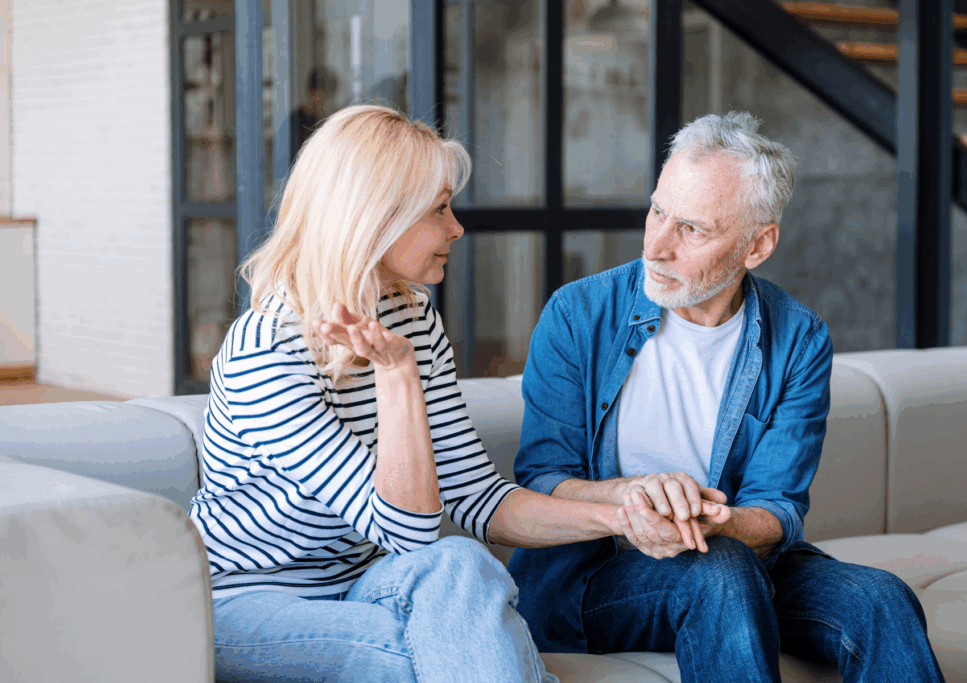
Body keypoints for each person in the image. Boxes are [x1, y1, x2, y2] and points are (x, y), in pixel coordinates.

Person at [189, 105, 649, 683]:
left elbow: (479, 500)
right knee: (429, 651)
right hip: (241, 603)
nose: (456, 228)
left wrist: (626, 517)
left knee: (458, 562)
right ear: (376, 216)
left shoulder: (411, 319)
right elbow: (406, 530)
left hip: (360, 585)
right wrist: (398, 375)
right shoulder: (268, 349)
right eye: (438, 210)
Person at [508, 112, 946, 682]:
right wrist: (633, 500)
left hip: (733, 559)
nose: (656, 247)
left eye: (691, 229)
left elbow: (777, 509)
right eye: (657, 211)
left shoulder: (799, 337)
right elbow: (541, 477)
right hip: (592, 581)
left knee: (882, 598)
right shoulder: (577, 314)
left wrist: (716, 522)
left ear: (757, 245)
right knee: (719, 572)